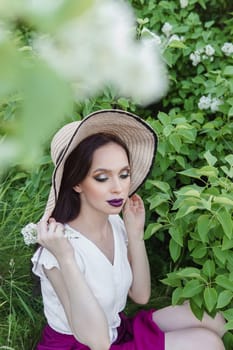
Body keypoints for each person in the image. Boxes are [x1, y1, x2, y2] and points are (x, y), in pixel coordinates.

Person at [32, 109, 226, 350]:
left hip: (116, 330)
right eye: (102, 177)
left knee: (214, 320)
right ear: (77, 182)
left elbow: (141, 295)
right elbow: (98, 342)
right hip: (85, 345)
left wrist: (135, 235)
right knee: (207, 343)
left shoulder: (114, 222)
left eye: (124, 175)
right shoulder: (57, 248)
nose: (118, 189)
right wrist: (66, 258)